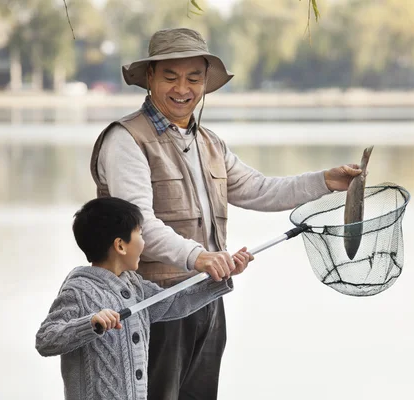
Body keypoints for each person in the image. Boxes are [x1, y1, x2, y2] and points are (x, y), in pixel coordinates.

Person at [90, 27, 362, 399]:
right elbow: (138, 226)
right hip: (149, 304)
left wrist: (325, 181)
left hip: (207, 299)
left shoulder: (209, 143)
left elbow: (260, 189)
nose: (182, 88)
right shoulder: (125, 139)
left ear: (206, 83)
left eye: (193, 78)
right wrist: (198, 256)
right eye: (170, 76)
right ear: (149, 78)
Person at [35, 197, 236, 400]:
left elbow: (175, 303)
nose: (144, 242)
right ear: (120, 245)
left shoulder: (134, 286)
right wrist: (90, 324)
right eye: (140, 234)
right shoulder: (79, 290)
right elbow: (46, 340)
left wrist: (222, 276)